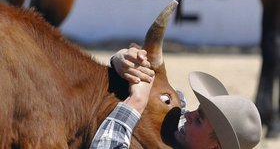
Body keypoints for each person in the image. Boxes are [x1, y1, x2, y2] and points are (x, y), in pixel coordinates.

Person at [90, 46, 262, 149]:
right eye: (197, 111)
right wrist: (126, 63)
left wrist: (136, 102)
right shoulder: (192, 137)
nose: (187, 115)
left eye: (199, 121)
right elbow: (176, 102)